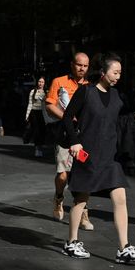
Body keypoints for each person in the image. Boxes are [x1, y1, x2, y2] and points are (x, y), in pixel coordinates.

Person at [62, 53, 135, 264]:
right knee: (81, 199)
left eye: (120, 73)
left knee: (120, 198)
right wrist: (74, 141)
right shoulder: (86, 91)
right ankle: (71, 242)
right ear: (103, 72)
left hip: (110, 156)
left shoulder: (117, 96)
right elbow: (66, 117)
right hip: (88, 155)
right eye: (115, 72)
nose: (118, 76)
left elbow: (116, 121)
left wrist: (133, 119)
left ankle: (124, 248)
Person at [45, 52, 94, 229]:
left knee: (83, 175)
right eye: (79, 65)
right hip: (65, 136)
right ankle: (59, 197)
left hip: (84, 137)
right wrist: (68, 117)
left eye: (85, 66)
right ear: (72, 64)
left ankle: (83, 214)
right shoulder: (59, 82)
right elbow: (49, 105)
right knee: (63, 174)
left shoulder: (91, 86)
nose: (82, 69)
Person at [24, 76, 47, 157]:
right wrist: (27, 115)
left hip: (43, 114)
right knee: (37, 131)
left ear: (44, 83)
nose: (40, 83)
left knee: (42, 131)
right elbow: (30, 104)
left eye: (42, 82)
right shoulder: (32, 91)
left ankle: (40, 146)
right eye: (39, 81)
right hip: (34, 113)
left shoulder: (46, 92)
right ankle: (37, 149)